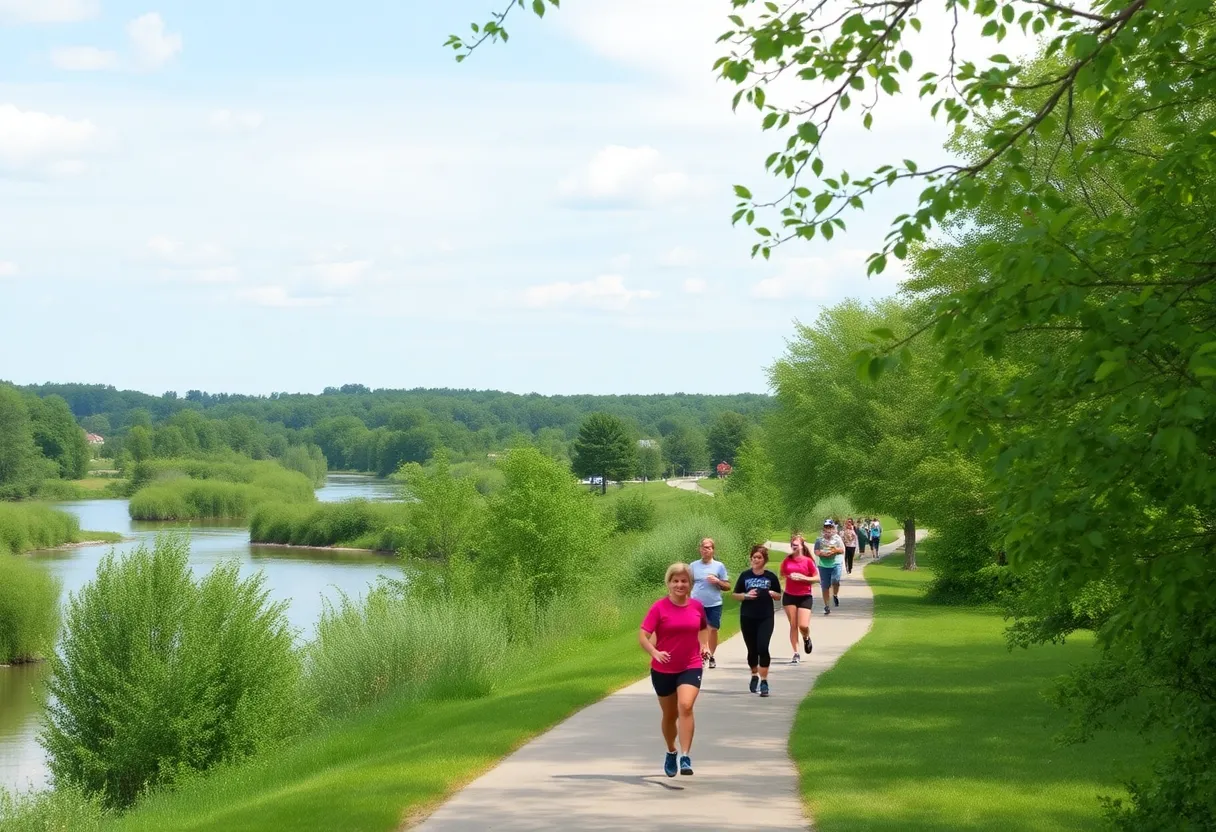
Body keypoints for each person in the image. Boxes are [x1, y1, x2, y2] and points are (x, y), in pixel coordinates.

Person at [640, 562, 711, 777]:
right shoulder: (659, 607)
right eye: (675, 581)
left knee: (686, 706)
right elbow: (642, 636)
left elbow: (703, 628)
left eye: (684, 581)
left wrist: (705, 645)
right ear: (669, 583)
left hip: (690, 664)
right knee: (669, 715)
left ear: (690, 584)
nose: (680, 584)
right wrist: (655, 653)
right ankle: (671, 751)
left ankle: (685, 756)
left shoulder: (697, 606)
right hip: (663, 669)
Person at [732, 544, 782, 697]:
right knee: (752, 650)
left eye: (759, 558)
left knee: (763, 647)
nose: (755, 560)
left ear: (764, 560)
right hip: (747, 616)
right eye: (754, 557)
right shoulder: (745, 575)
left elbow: (779, 595)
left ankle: (764, 680)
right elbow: (735, 595)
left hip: (765, 616)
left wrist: (774, 594)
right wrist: (746, 596)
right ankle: (754, 674)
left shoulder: (770, 577)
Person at [688, 537, 729, 668]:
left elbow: (727, 586)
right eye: (703, 547)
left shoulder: (719, 566)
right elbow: (688, 583)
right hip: (696, 604)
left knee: (712, 630)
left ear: (713, 550)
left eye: (708, 548)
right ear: (700, 549)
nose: (705, 550)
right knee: (698, 630)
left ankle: (710, 655)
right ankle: (702, 655)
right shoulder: (693, 566)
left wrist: (717, 581)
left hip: (714, 604)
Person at [779, 535, 818, 663]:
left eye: (796, 545)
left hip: (805, 596)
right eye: (792, 545)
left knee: (803, 625)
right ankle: (796, 653)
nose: (794, 547)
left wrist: (803, 578)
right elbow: (782, 574)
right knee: (793, 625)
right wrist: (787, 579)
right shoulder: (787, 561)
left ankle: (806, 638)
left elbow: (817, 578)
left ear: (802, 546)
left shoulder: (808, 561)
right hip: (789, 595)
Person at [815, 520, 845, 613]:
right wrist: (823, 554)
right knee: (825, 586)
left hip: (836, 563)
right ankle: (827, 605)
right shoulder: (819, 540)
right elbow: (816, 551)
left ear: (833, 528)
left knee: (835, 581)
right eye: (826, 527)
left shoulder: (837, 539)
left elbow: (842, 550)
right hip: (823, 565)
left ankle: (835, 595)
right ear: (824, 528)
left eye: (830, 527)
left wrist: (835, 551)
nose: (828, 529)